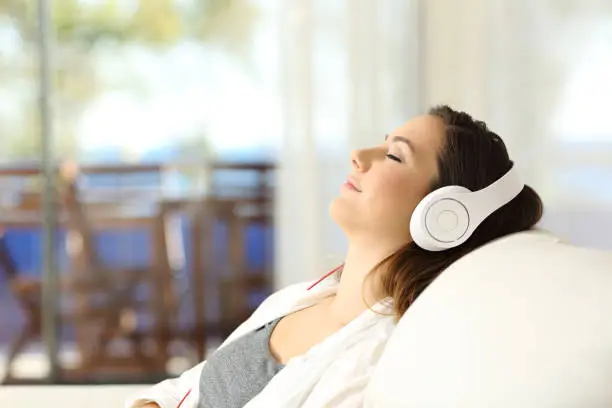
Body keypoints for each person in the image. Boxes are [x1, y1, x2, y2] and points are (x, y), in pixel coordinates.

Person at [126, 105, 543, 408]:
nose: (359, 156)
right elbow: (188, 387)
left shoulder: (382, 357)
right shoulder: (297, 299)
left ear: (444, 217)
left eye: (395, 155)